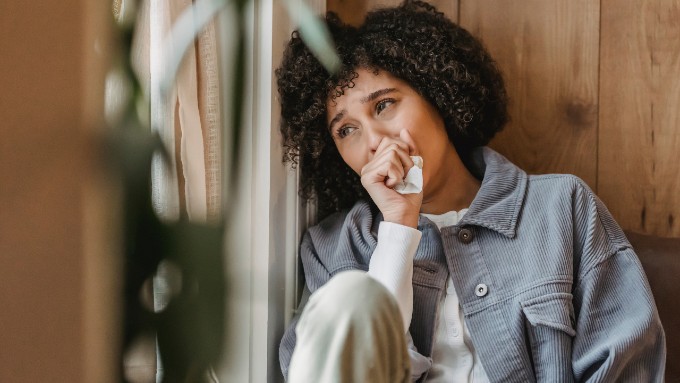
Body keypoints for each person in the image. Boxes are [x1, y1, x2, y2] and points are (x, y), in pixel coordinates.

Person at [276, 1, 666, 382]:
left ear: (437, 94)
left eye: (384, 105)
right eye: (346, 130)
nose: (375, 140)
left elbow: (627, 362)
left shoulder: (563, 208)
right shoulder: (333, 249)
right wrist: (397, 230)